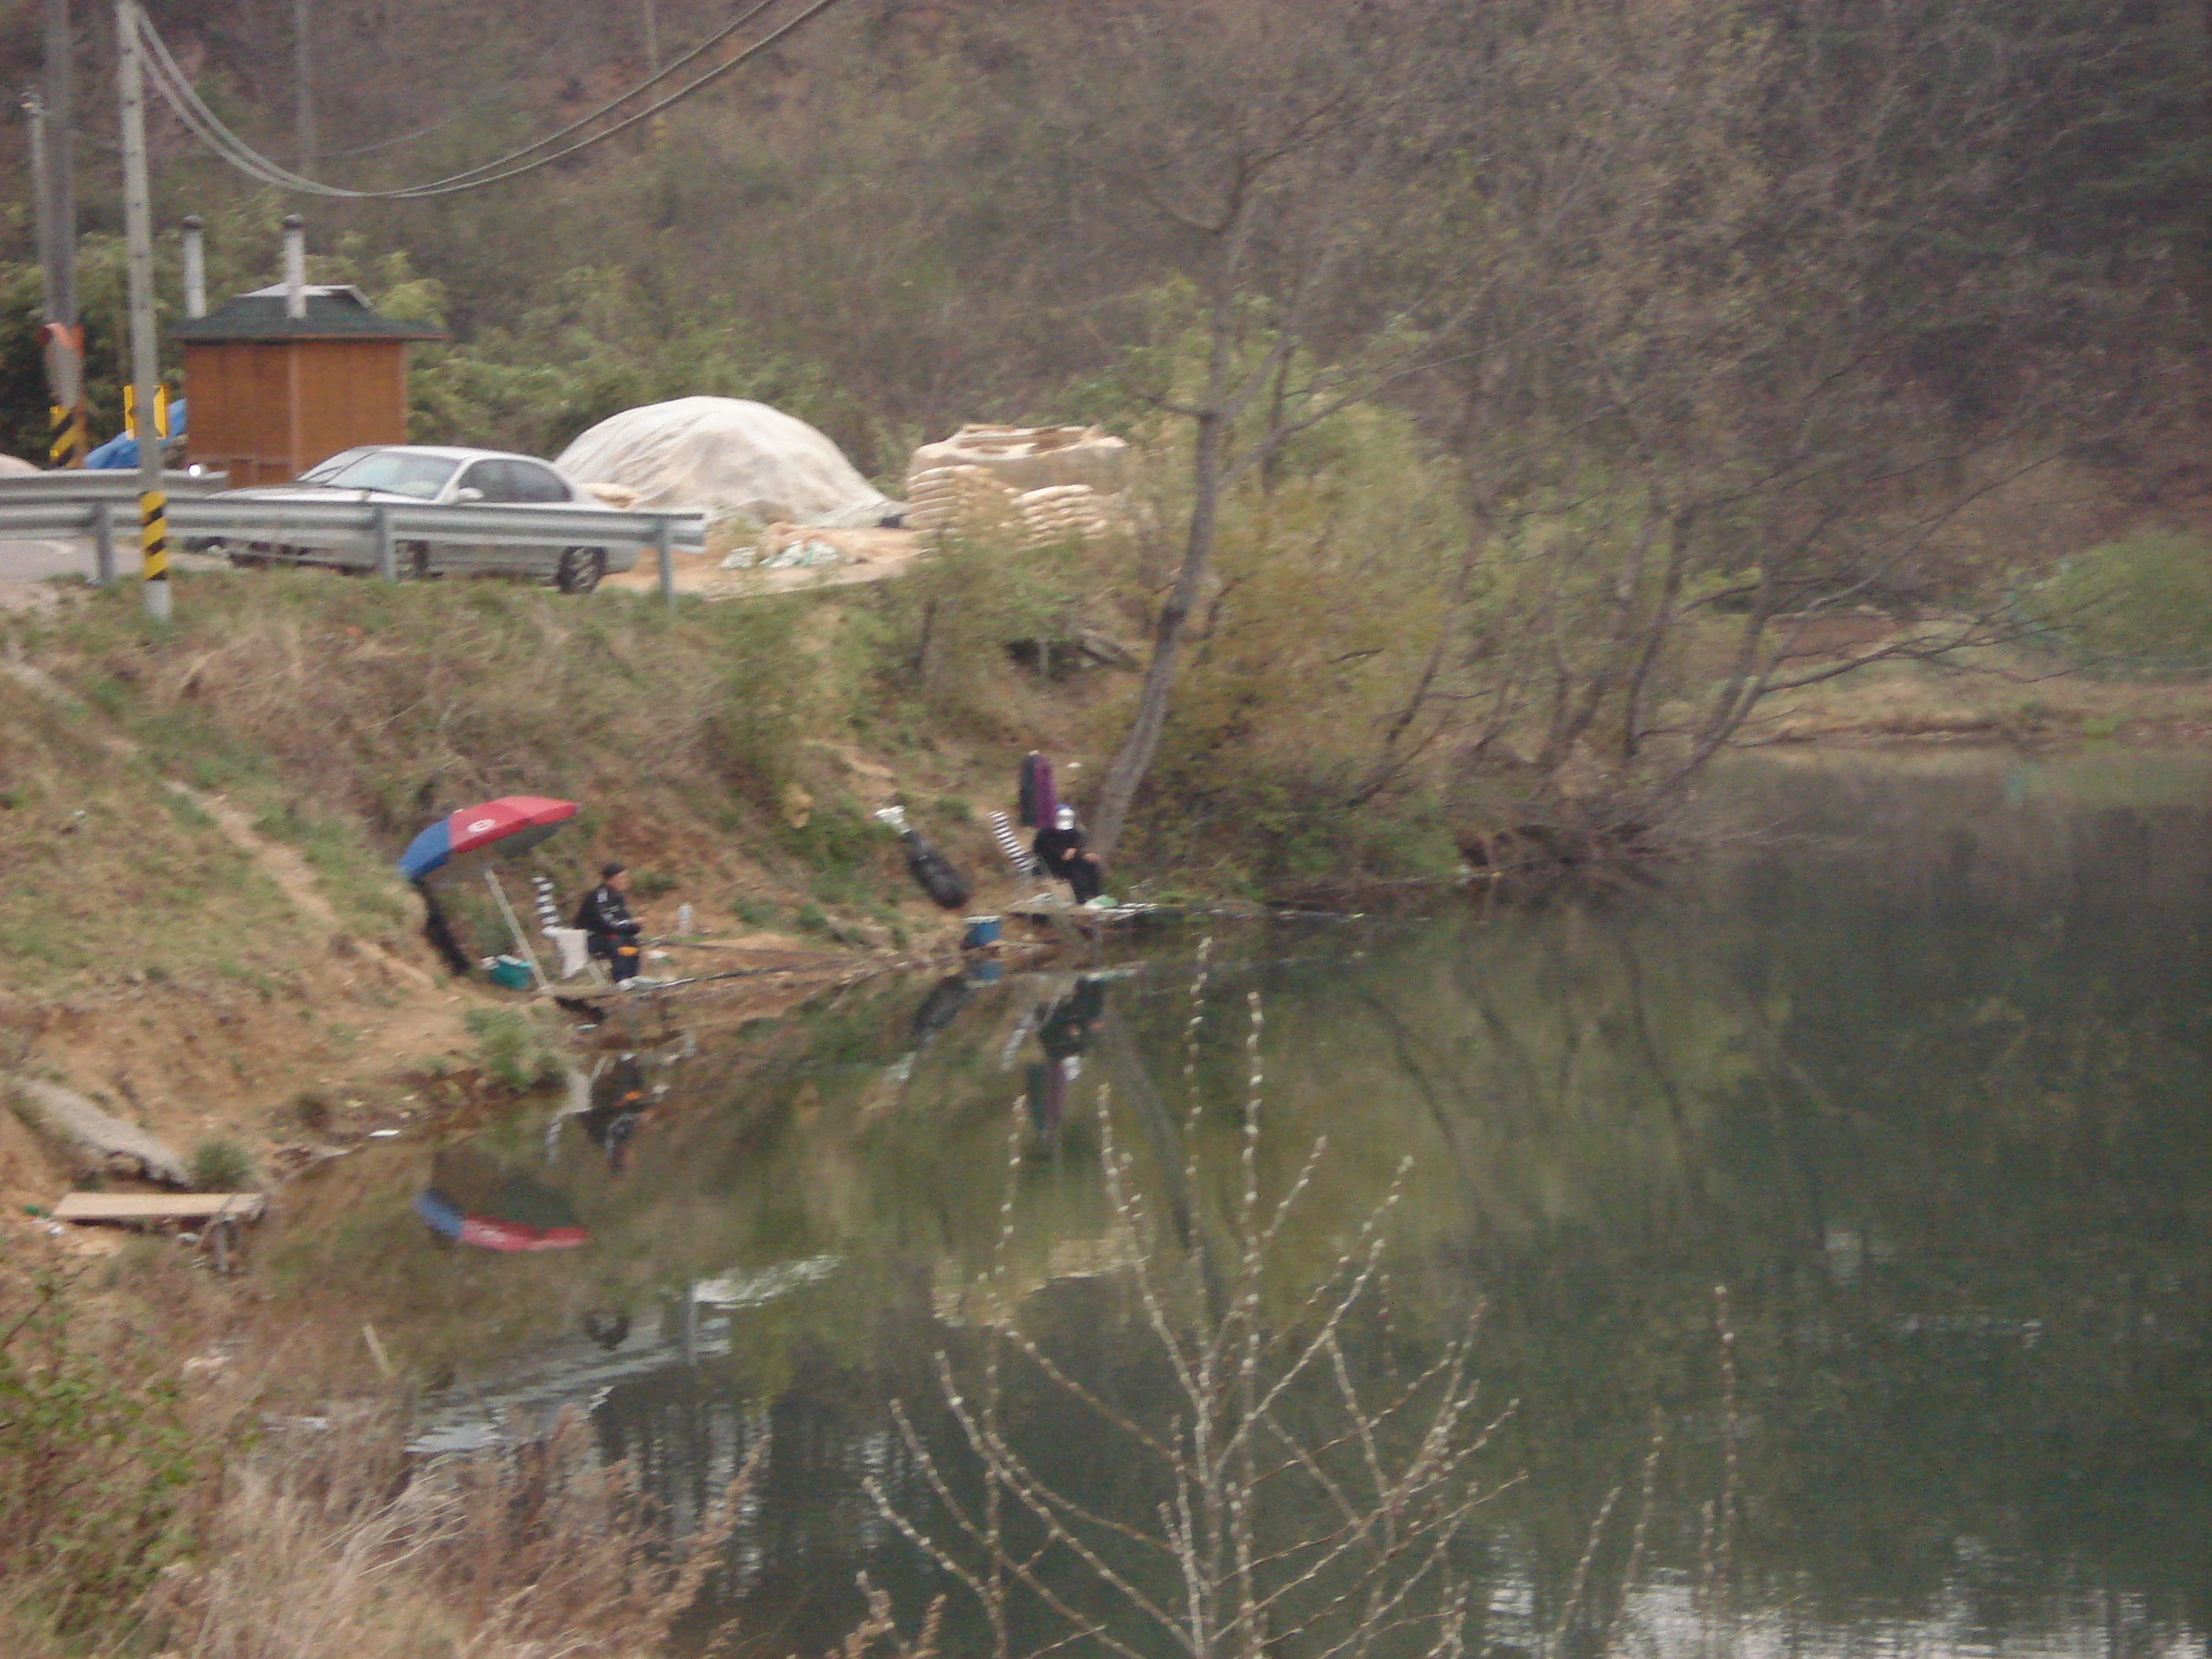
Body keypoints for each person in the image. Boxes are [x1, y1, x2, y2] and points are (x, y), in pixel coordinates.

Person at [573, 862, 644, 983]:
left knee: (631, 942)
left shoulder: (617, 897)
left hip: (607, 934)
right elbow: (607, 924)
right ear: (611, 880)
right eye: (622, 878)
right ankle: (621, 980)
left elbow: (624, 920)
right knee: (616, 941)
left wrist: (635, 926)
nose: (625, 881)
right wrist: (631, 925)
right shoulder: (600, 896)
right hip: (589, 938)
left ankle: (632, 977)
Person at [1031, 805, 1106, 905]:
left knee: (1091, 865)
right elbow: (1050, 851)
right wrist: (1067, 853)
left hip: (1069, 861)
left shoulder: (1073, 832)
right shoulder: (1045, 833)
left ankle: (1097, 896)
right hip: (1048, 864)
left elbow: (1075, 849)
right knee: (1076, 872)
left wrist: (1085, 855)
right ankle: (1082, 902)